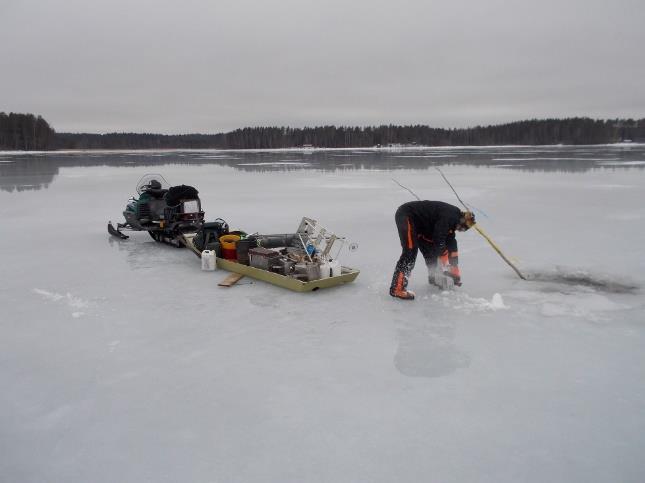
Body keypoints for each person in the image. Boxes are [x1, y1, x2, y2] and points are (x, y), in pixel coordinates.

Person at [390, 200, 476, 300]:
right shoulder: (451, 216)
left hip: (421, 227)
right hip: (407, 216)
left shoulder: (452, 222)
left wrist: (454, 269)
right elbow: (438, 238)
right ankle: (397, 288)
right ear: (462, 221)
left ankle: (434, 277)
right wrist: (444, 259)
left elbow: (451, 243)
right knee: (410, 251)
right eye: (461, 228)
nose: (459, 229)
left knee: (431, 252)